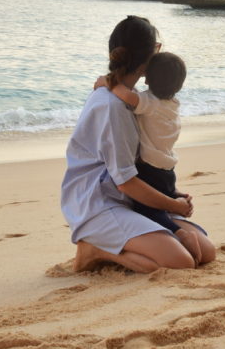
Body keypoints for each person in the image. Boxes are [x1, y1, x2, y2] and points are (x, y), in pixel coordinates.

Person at [60, 16, 215, 273]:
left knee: (206, 252)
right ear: (153, 53)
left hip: (130, 199)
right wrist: (173, 205)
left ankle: (126, 242)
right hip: (100, 203)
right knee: (182, 262)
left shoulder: (139, 101)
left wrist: (171, 195)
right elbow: (125, 181)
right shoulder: (113, 106)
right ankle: (94, 248)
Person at [93, 52, 205, 262]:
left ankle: (181, 234)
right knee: (164, 194)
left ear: (147, 78)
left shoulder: (149, 102)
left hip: (149, 170)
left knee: (148, 210)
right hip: (167, 169)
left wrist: (105, 82)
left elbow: (125, 95)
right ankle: (177, 200)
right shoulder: (172, 104)